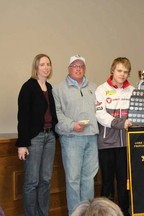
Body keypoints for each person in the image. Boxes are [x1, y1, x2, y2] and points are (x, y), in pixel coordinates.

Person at [52, 55, 99, 215]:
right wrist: (72, 125)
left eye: (81, 66)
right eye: (74, 65)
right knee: (73, 180)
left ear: (85, 68)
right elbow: (57, 114)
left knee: (89, 179)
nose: (78, 68)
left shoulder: (94, 87)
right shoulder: (58, 89)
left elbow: (99, 111)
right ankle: (74, 213)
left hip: (91, 138)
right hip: (71, 139)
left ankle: (87, 213)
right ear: (68, 68)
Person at [16, 54, 58, 216]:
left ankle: (43, 213)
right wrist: (22, 144)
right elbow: (23, 117)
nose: (46, 67)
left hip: (50, 138)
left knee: (45, 180)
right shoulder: (28, 87)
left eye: (48, 64)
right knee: (32, 181)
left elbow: (53, 115)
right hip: (35, 139)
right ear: (36, 68)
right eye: (42, 64)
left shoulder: (51, 88)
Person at [95, 57, 134, 216]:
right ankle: (105, 213)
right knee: (107, 181)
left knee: (124, 181)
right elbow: (100, 115)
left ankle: (124, 211)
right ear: (112, 70)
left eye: (125, 72)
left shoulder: (132, 90)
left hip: (125, 143)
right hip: (107, 144)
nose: (122, 74)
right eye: (119, 70)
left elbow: (135, 115)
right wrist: (120, 123)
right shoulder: (101, 90)